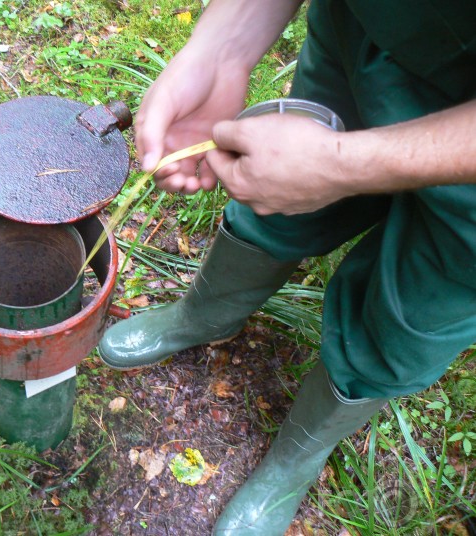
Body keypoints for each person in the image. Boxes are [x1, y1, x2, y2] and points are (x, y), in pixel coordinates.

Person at [97, 0, 476, 534]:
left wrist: (346, 164)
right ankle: (205, 316)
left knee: (414, 314)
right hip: (365, 35)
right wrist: (222, 48)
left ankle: (296, 458)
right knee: (273, 199)